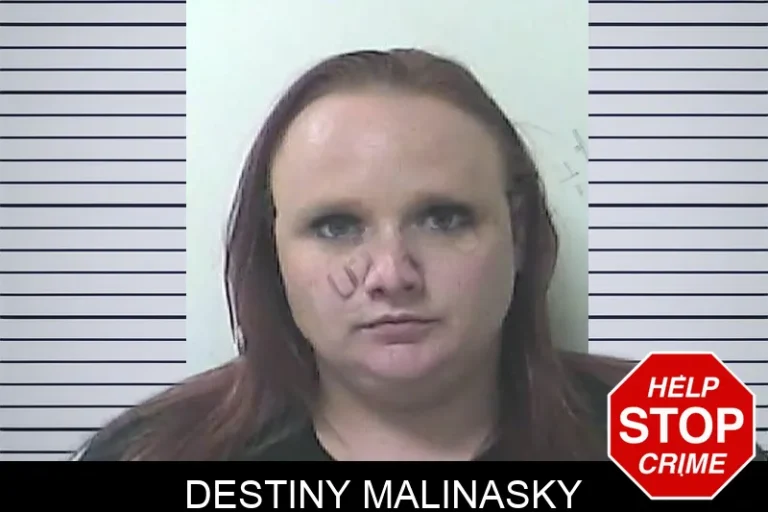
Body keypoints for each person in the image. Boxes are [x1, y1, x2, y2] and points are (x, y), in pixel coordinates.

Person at [75, 48, 764, 461]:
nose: (391, 275)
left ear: (520, 234)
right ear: (272, 252)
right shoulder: (152, 454)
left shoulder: (679, 440)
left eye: (443, 218)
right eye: (336, 225)